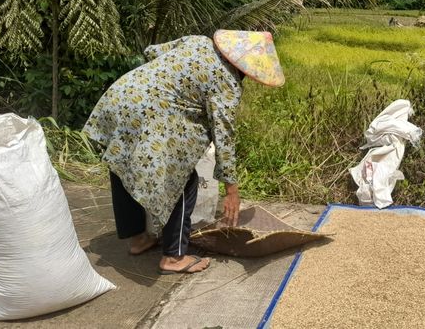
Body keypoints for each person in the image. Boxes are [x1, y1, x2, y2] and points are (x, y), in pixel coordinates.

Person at [83, 31, 285, 275]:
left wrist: (167, 82)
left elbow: (152, 52)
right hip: (152, 113)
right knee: (182, 181)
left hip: (122, 95)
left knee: (121, 162)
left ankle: (137, 239)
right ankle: (174, 256)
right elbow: (224, 135)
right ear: (249, 70)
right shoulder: (228, 83)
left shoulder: (198, 41)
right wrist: (231, 188)